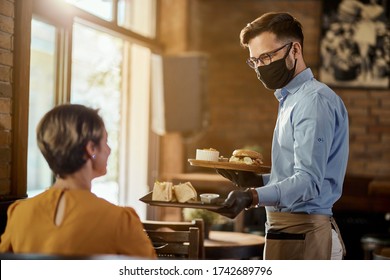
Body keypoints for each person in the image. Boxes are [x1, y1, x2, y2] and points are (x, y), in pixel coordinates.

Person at [215, 12, 349, 260]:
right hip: (288, 231)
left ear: (295, 50)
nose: (260, 67)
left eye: (266, 57)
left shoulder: (314, 101)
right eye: (254, 61)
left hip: (307, 234)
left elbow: (309, 182)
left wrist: (252, 197)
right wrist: (256, 181)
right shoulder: (290, 99)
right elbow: (292, 176)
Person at [0, 104, 156, 259]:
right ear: (91, 149)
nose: (109, 150)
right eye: (105, 141)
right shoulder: (120, 221)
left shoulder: (18, 214)